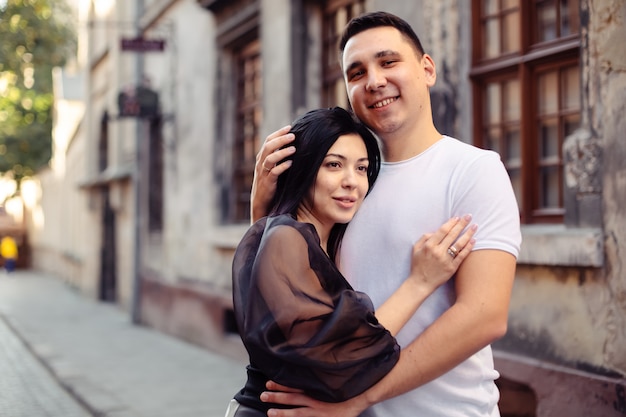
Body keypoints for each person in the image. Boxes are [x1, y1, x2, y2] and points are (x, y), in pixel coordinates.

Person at [251, 11, 522, 417]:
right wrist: (262, 207)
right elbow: (286, 292)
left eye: (388, 61)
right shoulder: (346, 182)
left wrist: (360, 399)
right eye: (357, 72)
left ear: (426, 69)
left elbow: (483, 318)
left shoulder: (472, 168)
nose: (374, 80)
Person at [226, 107, 477, 417]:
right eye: (334, 165)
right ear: (303, 168)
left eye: (361, 169)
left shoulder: (314, 240)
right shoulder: (286, 235)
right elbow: (340, 356)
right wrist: (420, 282)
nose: (352, 182)